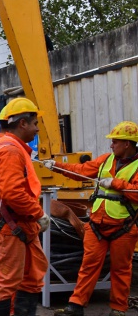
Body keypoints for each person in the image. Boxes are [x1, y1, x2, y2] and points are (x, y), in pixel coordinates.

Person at [43, 121, 138, 316]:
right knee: (88, 265)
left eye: (115, 142)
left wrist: (116, 183)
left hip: (124, 227)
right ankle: (76, 306)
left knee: (121, 269)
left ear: (127, 144)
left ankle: (118, 309)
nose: (111, 145)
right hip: (97, 225)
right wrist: (57, 166)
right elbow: (80, 171)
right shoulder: (105, 160)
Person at [0, 97, 50, 316]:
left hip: (17, 224)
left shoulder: (7, 147)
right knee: (8, 281)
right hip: (11, 225)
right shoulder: (11, 150)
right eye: (35, 123)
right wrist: (39, 214)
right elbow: (13, 193)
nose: (37, 129)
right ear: (22, 124)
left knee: (31, 278)